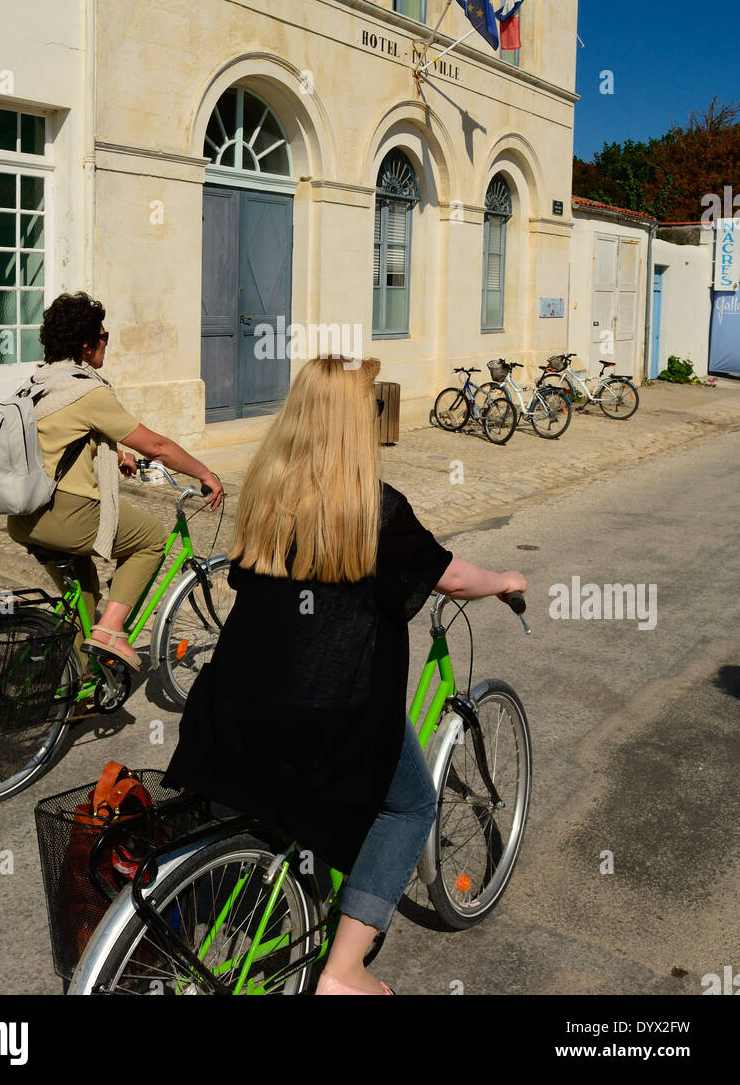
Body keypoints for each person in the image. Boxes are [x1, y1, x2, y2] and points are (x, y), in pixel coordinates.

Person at [164, 354, 525, 995]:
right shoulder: (375, 510)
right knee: (411, 804)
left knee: (252, 807)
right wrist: (505, 582)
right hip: (332, 720)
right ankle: (343, 970)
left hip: (234, 703)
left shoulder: (268, 494)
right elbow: (452, 577)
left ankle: (254, 895)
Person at [7, 291, 223, 672]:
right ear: (87, 345)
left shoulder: (37, 383)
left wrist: (113, 454)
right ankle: (111, 630)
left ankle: (77, 688)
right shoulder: (86, 390)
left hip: (24, 518)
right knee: (152, 539)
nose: (107, 343)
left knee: (84, 598)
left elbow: (58, 439)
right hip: (68, 517)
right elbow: (156, 446)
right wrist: (205, 474)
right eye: (104, 337)